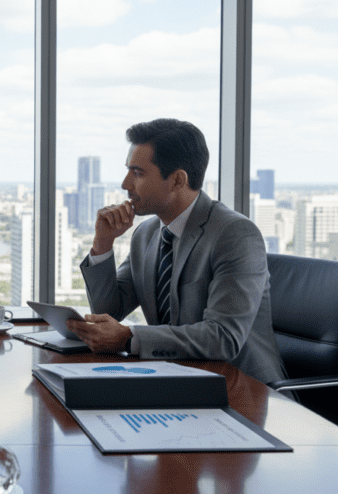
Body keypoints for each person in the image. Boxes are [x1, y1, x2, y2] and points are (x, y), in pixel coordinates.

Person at [70, 118, 286, 384]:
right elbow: (109, 312)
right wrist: (102, 245)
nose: (126, 184)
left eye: (137, 173)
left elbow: (224, 338)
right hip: (177, 381)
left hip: (242, 390)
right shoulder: (146, 234)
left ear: (177, 180)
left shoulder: (235, 235)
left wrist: (130, 337)